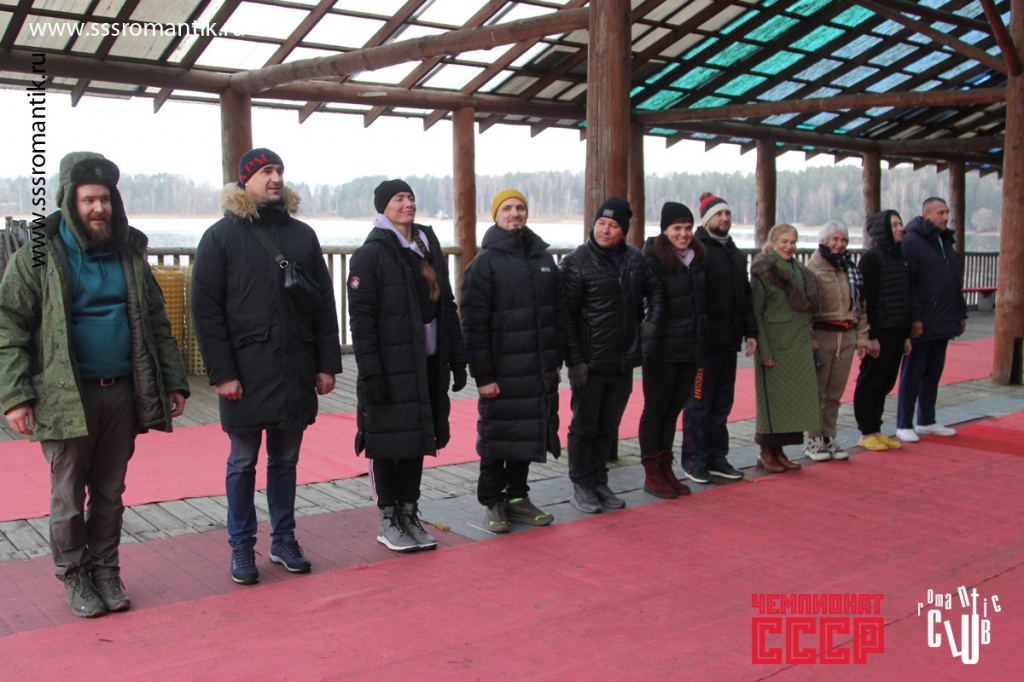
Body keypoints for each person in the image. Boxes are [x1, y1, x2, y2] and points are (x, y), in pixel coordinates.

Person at [0, 151, 189, 617]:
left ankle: (105, 570)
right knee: (68, 495)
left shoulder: (128, 254)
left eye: (105, 199)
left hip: (121, 391)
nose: (99, 208)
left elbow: (156, 322)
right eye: (88, 200)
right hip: (64, 395)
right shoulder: (37, 257)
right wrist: (16, 396)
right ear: (69, 201)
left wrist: (173, 381)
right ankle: (74, 575)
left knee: (110, 492)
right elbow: (9, 327)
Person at [191, 148, 342, 584]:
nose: (276, 178)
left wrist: (326, 364)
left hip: (295, 365)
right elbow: (206, 310)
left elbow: (323, 305)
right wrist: (222, 373)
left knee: (286, 460)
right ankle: (241, 545)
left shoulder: (302, 235)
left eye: (279, 171)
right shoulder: (220, 237)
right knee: (242, 461)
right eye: (266, 172)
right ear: (245, 180)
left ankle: (284, 539)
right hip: (245, 369)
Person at [348, 179, 468, 552]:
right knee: (386, 442)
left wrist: (457, 358)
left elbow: (446, 305)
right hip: (389, 366)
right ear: (383, 207)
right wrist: (371, 373)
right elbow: (361, 321)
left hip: (426, 364)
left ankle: (410, 513)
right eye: (398, 198)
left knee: (418, 439)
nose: (407, 203)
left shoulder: (427, 246)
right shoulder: (370, 254)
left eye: (411, 197)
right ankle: (389, 519)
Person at [460, 189, 560, 532]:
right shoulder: (484, 263)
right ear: (496, 215)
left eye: (519, 207)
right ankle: (492, 501)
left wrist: (556, 360)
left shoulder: (544, 259)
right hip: (502, 372)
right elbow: (473, 325)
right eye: (507, 208)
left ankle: (518, 498)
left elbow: (557, 314)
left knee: (529, 433)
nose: (514, 213)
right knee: (497, 437)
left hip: (537, 369)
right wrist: (483, 376)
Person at [560, 197, 663, 513]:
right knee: (584, 426)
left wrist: (651, 323)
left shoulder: (634, 259)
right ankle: (582, 483)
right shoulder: (576, 262)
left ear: (624, 230)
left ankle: (599, 479)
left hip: (623, 360)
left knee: (608, 425)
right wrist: (575, 361)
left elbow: (655, 291)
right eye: (601, 223)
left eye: (613, 225)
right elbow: (564, 316)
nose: (605, 230)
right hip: (589, 363)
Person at [681, 192, 757, 483]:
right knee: (698, 404)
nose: (724, 219)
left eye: (727, 214)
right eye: (718, 214)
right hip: (704, 344)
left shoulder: (735, 253)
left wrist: (751, 331)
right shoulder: (696, 250)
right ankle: (694, 460)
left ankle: (717, 457)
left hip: (729, 341)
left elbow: (745, 296)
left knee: (722, 404)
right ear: (706, 219)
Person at [638, 202, 706, 499]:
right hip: (661, 348)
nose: (684, 234)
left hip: (690, 347)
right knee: (656, 411)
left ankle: (666, 467)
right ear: (665, 230)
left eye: (688, 228)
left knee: (673, 411)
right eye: (677, 228)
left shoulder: (698, 258)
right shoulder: (652, 259)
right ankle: (652, 471)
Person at [750, 224, 821, 473]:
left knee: (791, 402)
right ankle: (766, 451)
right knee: (771, 403)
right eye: (784, 241)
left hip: (796, 345)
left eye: (793, 242)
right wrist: (764, 352)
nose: (789, 246)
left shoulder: (797, 269)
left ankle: (779, 451)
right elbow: (756, 312)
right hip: (775, 346)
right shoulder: (763, 271)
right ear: (772, 242)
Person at [895, 197, 967, 442]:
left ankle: (926, 420)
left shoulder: (945, 241)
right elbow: (909, 283)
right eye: (940, 213)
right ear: (926, 215)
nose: (945, 217)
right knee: (912, 373)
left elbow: (954, 282)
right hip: (923, 321)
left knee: (933, 373)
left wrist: (961, 313)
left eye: (947, 212)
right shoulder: (912, 241)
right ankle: (904, 423)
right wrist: (915, 318)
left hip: (944, 318)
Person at [805, 222, 872, 461]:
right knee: (817, 391)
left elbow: (861, 306)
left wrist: (863, 338)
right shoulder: (813, 268)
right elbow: (806, 309)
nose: (839, 244)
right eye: (834, 239)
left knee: (835, 392)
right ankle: (813, 439)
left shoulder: (850, 269)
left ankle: (829, 435)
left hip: (847, 334)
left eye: (843, 240)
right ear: (824, 240)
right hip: (824, 333)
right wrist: (811, 340)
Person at [853, 210, 913, 451]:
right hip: (879, 331)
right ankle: (866, 431)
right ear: (883, 230)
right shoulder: (872, 258)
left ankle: (877, 428)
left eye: (900, 224)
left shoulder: (901, 258)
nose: (900, 228)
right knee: (871, 381)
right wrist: (871, 336)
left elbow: (906, 296)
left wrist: (906, 335)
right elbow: (866, 300)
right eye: (894, 225)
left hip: (898, 330)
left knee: (886, 382)